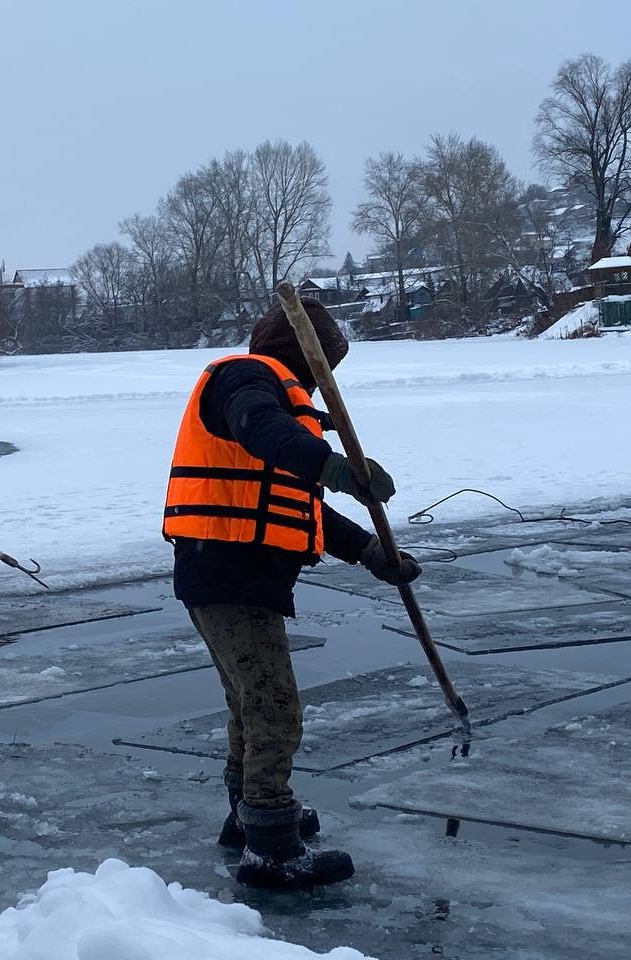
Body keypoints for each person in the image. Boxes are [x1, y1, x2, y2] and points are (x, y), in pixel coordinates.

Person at [163, 299, 421, 890]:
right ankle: (273, 848)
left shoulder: (282, 406)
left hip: (235, 571)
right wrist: (333, 465)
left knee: (249, 704)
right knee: (274, 707)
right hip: (226, 570)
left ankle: (247, 817)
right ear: (311, 358)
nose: (327, 381)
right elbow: (264, 432)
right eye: (327, 367)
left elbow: (300, 508)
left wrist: (370, 553)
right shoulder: (244, 380)